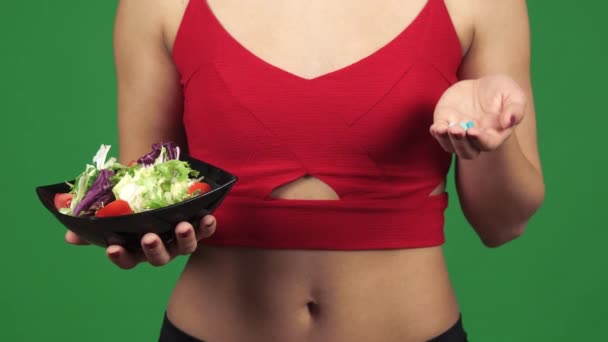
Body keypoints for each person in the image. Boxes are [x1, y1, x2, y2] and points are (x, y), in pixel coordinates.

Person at [66, 0, 545, 341]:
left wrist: (486, 141)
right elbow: (152, 193)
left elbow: (503, 223)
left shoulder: (483, 4)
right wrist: (137, 233)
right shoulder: (156, 5)